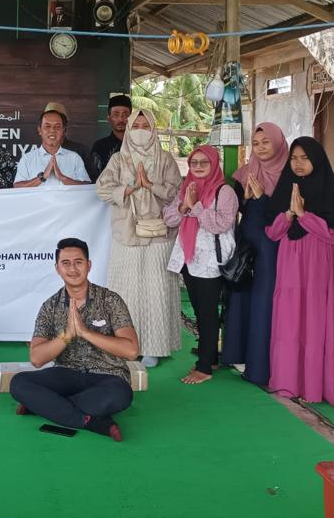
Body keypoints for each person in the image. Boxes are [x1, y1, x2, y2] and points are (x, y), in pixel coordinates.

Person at [9, 238, 138, 441]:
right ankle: (91, 421)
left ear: (89, 265)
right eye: (65, 263)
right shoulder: (50, 306)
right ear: (57, 269)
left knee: (121, 395)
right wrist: (67, 335)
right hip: (66, 374)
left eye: (78, 262)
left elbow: (131, 351)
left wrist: (85, 332)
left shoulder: (110, 300)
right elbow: (37, 358)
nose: (72, 269)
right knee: (19, 383)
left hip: (107, 375)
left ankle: (45, 405)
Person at [96, 109, 182, 365]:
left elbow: (176, 192)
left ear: (153, 129)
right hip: (127, 234)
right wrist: (131, 187)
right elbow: (102, 190)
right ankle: (125, 345)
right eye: (136, 126)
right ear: (129, 129)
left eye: (146, 126)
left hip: (159, 235)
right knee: (126, 291)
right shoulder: (118, 159)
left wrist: (150, 186)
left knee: (156, 291)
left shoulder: (165, 159)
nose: (141, 130)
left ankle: (154, 348)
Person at [266, 137, 334, 409]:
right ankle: (287, 380)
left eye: (305, 158)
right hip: (290, 261)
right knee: (289, 319)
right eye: (294, 158)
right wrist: (290, 214)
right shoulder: (285, 188)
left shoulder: (329, 190)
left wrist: (305, 215)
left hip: (318, 261)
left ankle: (313, 385)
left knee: (314, 320)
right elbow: (272, 232)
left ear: (317, 160)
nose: (298, 163)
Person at [220, 123, 288, 386]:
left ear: (278, 143)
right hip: (247, 243)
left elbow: (288, 214)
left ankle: (261, 363)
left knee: (264, 300)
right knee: (241, 294)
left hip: (273, 246)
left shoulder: (290, 175)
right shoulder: (246, 173)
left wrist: (263, 199)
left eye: (265, 142)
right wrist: (247, 199)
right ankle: (238, 354)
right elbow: (236, 207)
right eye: (256, 144)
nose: (260, 148)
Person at [163, 146, 238, 384]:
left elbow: (221, 224)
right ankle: (211, 355)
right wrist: (184, 207)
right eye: (194, 162)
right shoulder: (187, 187)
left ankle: (204, 367)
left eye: (204, 162)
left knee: (207, 313)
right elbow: (169, 218)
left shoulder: (225, 192)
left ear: (214, 164)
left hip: (210, 261)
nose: (198, 167)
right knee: (199, 310)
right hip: (189, 258)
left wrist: (195, 207)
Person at [13, 109, 90, 188]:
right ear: (39, 130)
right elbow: (17, 187)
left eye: (57, 127)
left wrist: (63, 178)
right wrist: (42, 177)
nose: (52, 130)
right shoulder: (27, 159)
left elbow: (87, 187)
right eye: (47, 126)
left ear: (63, 131)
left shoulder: (74, 158)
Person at [43, 101, 95, 181]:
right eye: (48, 125)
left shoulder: (81, 151)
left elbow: (92, 182)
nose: (52, 129)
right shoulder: (33, 156)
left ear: (65, 125)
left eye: (57, 125)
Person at [90, 94, 132, 178]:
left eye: (125, 115)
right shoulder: (99, 146)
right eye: (116, 114)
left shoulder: (140, 145)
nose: (121, 119)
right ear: (109, 118)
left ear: (132, 118)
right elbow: (95, 178)